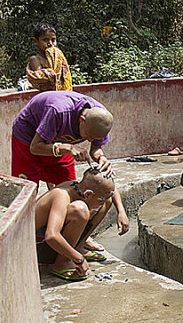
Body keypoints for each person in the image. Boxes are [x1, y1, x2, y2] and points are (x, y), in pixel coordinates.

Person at [12, 90, 126, 254]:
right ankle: (24, 239)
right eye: (88, 136)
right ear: (81, 119)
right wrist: (67, 148)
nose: (89, 141)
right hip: (29, 138)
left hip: (61, 141)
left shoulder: (101, 118)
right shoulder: (58, 111)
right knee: (26, 193)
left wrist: (101, 157)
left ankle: (74, 241)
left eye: (93, 138)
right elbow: (35, 147)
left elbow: (96, 149)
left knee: (74, 193)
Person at [35, 167, 117, 281]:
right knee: (80, 210)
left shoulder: (77, 187)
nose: (100, 203)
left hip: (53, 245)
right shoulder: (62, 195)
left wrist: (121, 211)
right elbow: (51, 236)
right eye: (99, 199)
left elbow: (106, 193)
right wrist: (79, 259)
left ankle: (78, 247)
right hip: (38, 247)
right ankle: (62, 263)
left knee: (107, 201)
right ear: (88, 194)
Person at [26, 23, 73, 92]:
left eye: (53, 40)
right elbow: (42, 79)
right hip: (46, 95)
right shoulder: (35, 59)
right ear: (35, 41)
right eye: (45, 40)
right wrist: (52, 75)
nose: (50, 43)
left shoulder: (59, 59)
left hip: (62, 93)